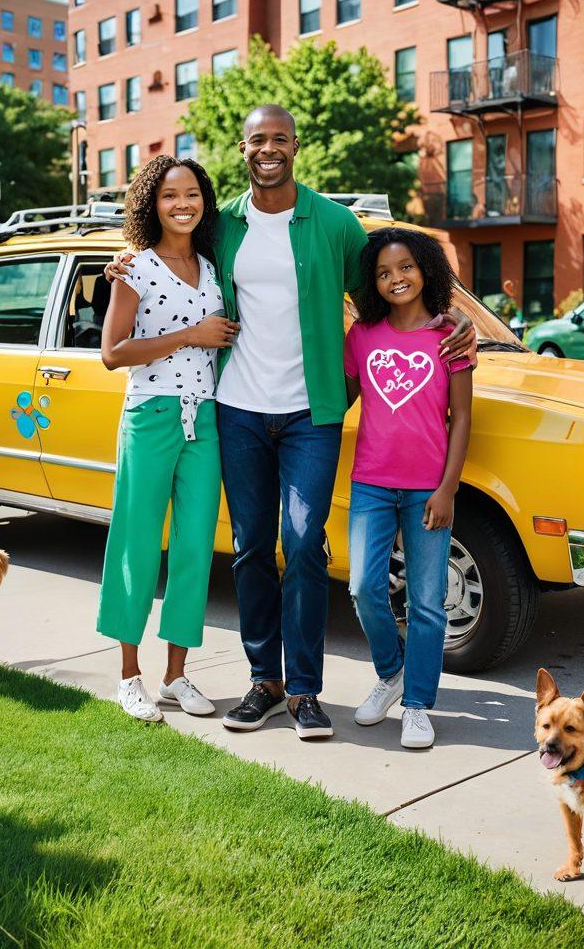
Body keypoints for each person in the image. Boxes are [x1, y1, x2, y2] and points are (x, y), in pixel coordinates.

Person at [109, 105, 475, 740]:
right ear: (243, 150)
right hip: (238, 409)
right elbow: (161, 255)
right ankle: (265, 682)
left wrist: (452, 317)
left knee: (303, 543)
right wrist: (122, 261)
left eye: (279, 139)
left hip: (311, 413)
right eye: (257, 140)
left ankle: (305, 688)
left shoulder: (334, 224)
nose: (268, 149)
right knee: (251, 546)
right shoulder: (221, 227)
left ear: (296, 146)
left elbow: (396, 279)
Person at [97, 155, 239, 722]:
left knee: (193, 549)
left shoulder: (213, 266)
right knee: (135, 542)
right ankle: (129, 676)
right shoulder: (134, 269)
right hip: (150, 414)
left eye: (193, 195)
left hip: (205, 419)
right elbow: (113, 353)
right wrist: (192, 335)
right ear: (150, 203)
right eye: (169, 195)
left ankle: (177, 675)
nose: (183, 204)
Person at [344, 227, 474, 749]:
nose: (396, 278)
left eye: (405, 268)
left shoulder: (451, 337)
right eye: (383, 272)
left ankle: (418, 704)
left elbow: (462, 418)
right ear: (372, 283)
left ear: (425, 270)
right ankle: (390, 672)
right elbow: (342, 397)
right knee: (362, 587)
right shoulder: (363, 336)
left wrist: (447, 490)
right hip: (372, 483)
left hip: (428, 490)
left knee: (425, 602)